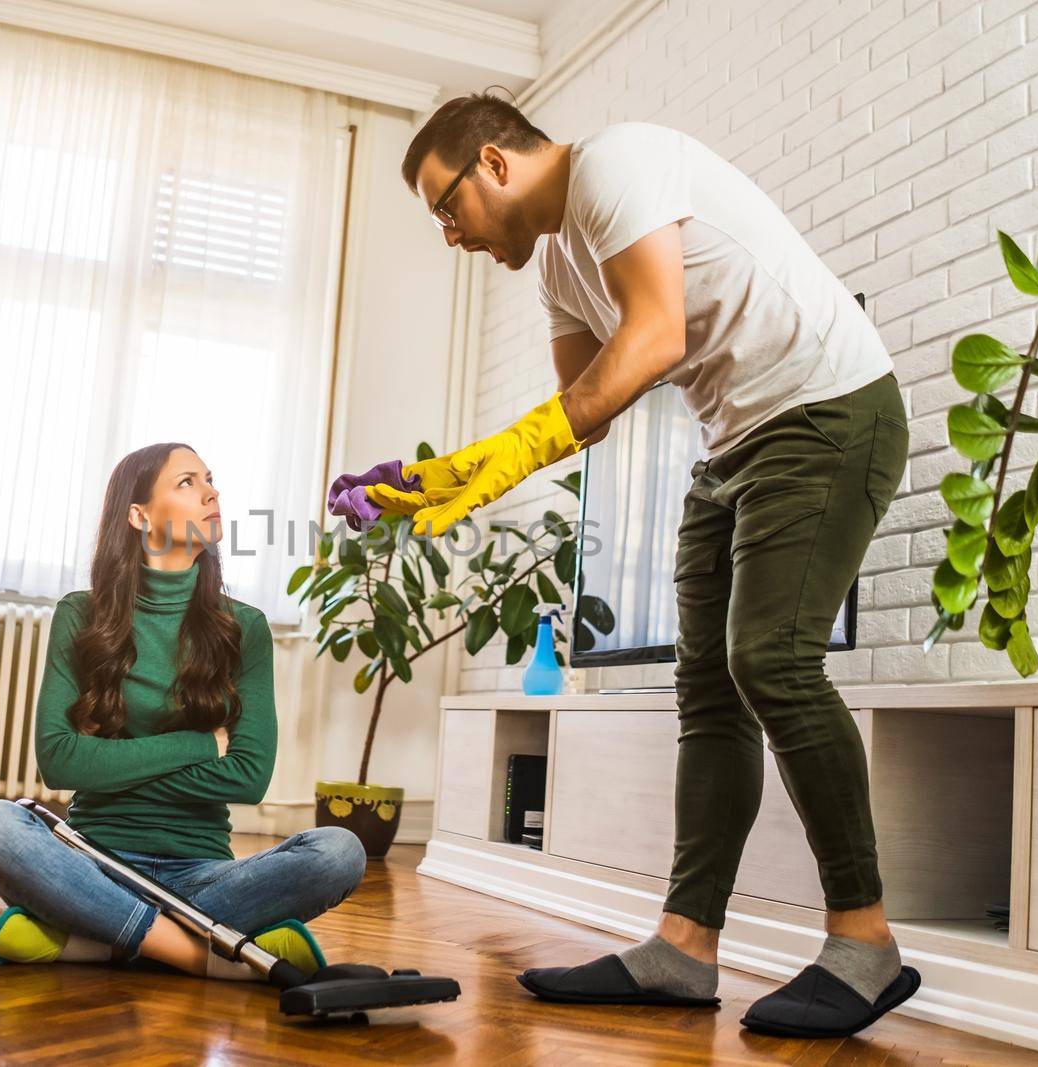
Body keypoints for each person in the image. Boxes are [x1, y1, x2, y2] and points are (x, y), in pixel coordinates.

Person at [329, 92, 917, 1039]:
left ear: (493, 162)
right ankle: (683, 948)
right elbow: (583, 408)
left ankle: (863, 938)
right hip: (734, 445)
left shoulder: (618, 162)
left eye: (446, 206)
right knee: (708, 690)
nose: (448, 234)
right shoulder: (561, 262)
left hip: (828, 409)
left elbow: (654, 340)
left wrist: (490, 463)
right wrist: (439, 476)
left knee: (771, 660)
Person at [0, 442, 366, 981]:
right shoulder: (80, 616)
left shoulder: (244, 628)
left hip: (203, 873)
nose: (211, 492)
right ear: (139, 515)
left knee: (339, 850)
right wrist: (201, 746)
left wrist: (108, 768)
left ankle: (93, 939)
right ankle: (199, 954)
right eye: (186, 483)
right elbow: (59, 762)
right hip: (91, 861)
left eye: (209, 479)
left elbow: (249, 777)